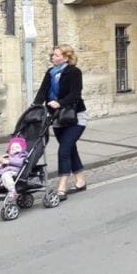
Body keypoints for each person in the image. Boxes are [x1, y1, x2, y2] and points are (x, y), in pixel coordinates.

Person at [33, 44, 87, 201]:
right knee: (70, 148)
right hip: (57, 118)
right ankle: (80, 181)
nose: (53, 57)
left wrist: (60, 102)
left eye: (56, 55)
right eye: (53, 54)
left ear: (66, 58)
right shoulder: (50, 72)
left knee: (64, 150)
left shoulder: (74, 72)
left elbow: (75, 94)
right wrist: (34, 107)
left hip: (75, 116)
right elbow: (42, 92)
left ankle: (61, 187)